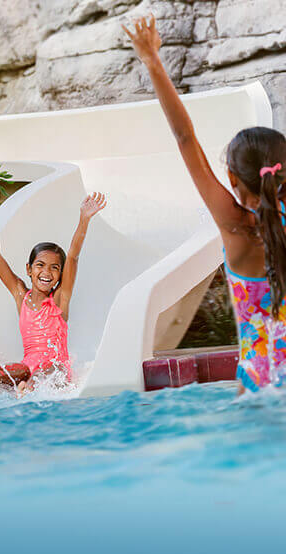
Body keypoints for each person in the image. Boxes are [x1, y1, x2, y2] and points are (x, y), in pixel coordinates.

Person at [123, 15, 286, 394]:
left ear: (231, 179)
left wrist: (152, 60)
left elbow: (184, 138)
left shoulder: (234, 225)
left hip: (259, 388)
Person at [0, 182, 106, 396]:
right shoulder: (20, 295)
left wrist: (84, 218)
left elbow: (73, 256)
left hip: (55, 370)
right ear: (29, 269)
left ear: (60, 275)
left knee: (52, 370)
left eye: (54, 268)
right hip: (27, 369)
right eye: (40, 265)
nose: (47, 272)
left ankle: (28, 390)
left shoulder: (60, 299)